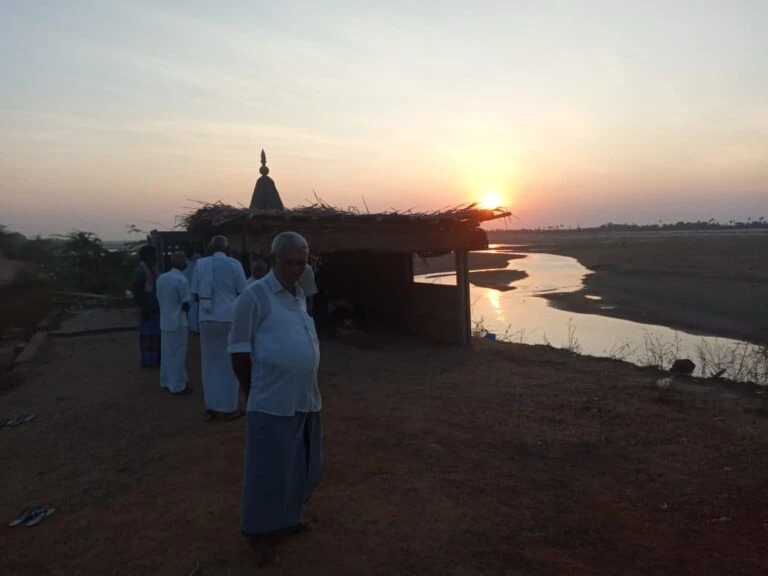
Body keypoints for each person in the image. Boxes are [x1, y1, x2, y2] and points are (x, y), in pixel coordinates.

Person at [229, 231, 323, 566]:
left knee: (300, 466)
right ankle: (259, 534)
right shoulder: (254, 297)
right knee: (266, 472)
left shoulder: (298, 294)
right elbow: (238, 352)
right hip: (271, 401)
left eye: (302, 262)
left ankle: (287, 520)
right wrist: (252, 389)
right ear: (273, 260)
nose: (297, 268)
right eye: (290, 262)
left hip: (305, 398)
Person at [191, 235, 247, 421]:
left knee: (209, 364)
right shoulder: (235, 265)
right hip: (229, 318)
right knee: (230, 363)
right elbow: (242, 292)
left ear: (210, 248)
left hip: (207, 319)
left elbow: (196, 294)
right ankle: (229, 408)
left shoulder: (201, 265)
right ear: (227, 248)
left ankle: (211, 408)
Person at [156, 251, 192, 395]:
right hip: (178, 321)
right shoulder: (181, 280)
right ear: (183, 264)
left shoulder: (161, 278)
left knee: (167, 353)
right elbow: (185, 304)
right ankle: (178, 386)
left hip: (165, 320)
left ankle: (167, 381)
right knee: (179, 353)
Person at [131, 244, 161, 368]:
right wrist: (142, 307)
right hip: (147, 308)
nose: (156, 256)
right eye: (154, 254)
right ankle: (148, 361)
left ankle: (156, 359)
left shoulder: (155, 269)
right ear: (148, 256)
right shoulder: (139, 271)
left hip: (156, 307)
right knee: (147, 336)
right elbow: (137, 291)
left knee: (156, 335)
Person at [181, 241, 200, 334]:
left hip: (197, 289)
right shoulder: (181, 260)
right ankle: (192, 328)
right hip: (186, 287)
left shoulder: (199, 259)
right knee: (189, 309)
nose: (187, 251)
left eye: (188, 249)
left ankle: (196, 328)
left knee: (196, 309)